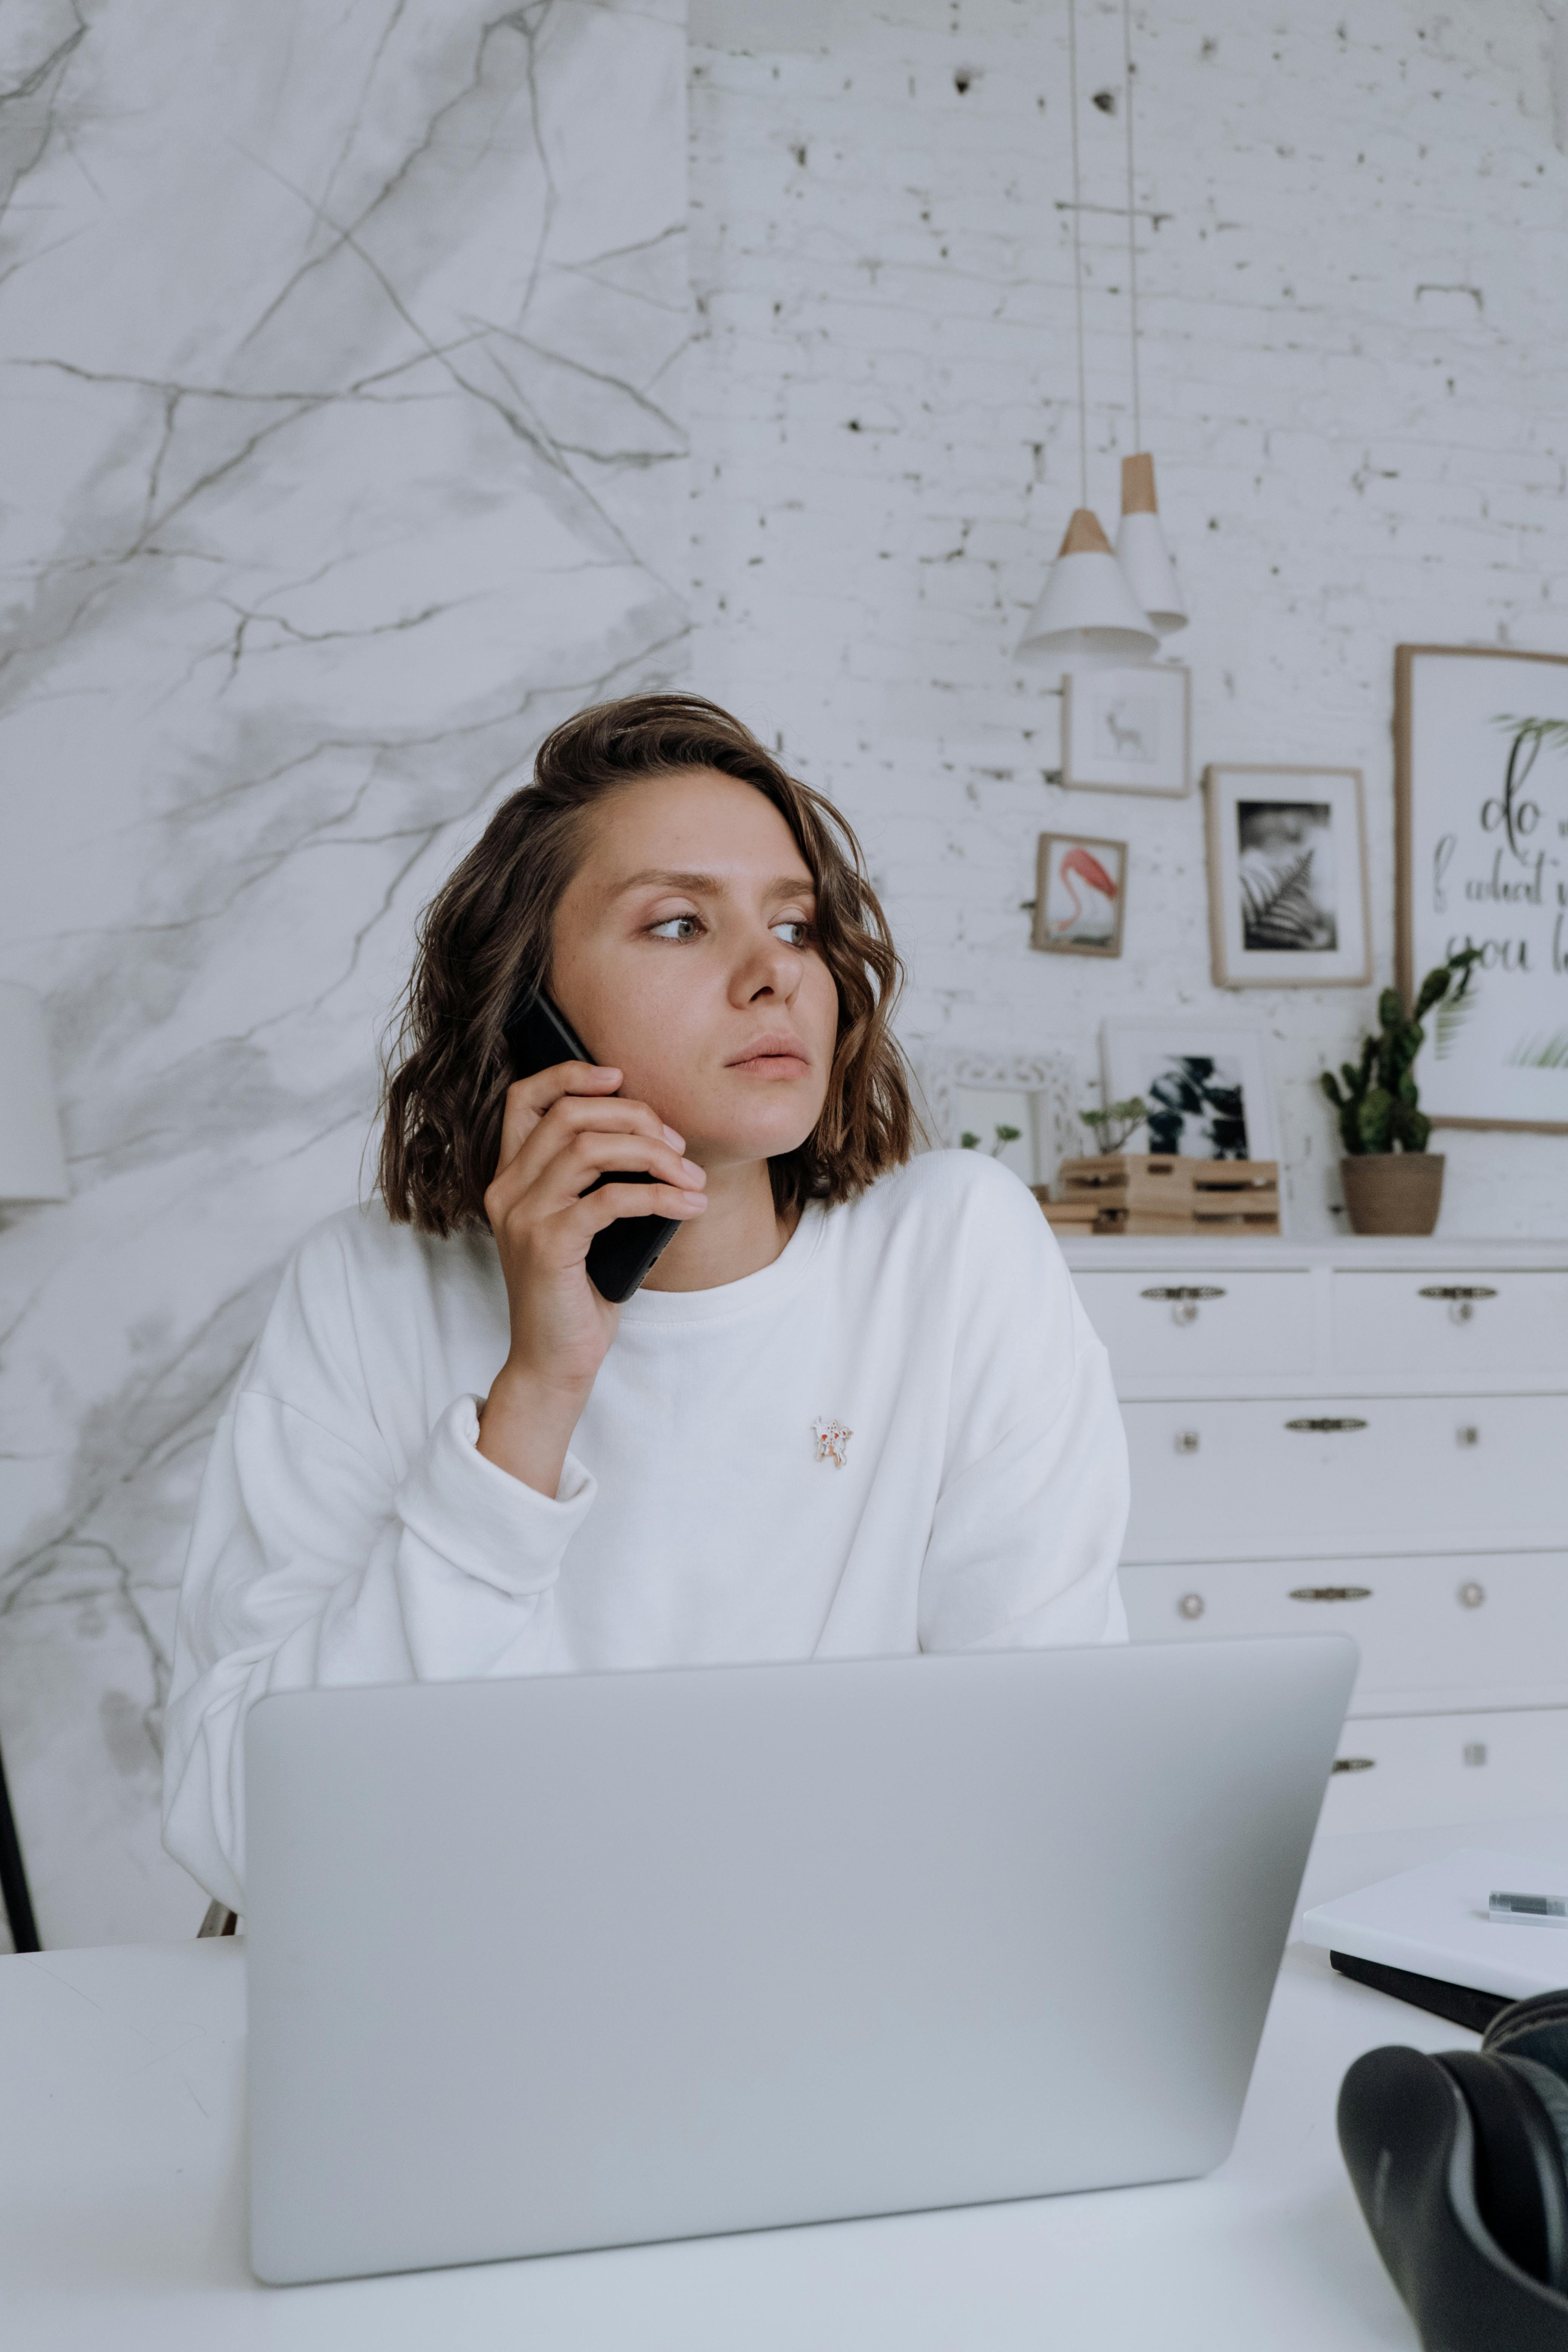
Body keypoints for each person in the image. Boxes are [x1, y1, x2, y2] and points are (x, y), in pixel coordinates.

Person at [162, 694, 1130, 1913]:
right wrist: (534, 1398)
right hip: (471, 2002)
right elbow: (243, 1837)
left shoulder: (954, 1253)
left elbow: (1050, 1775)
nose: (773, 972)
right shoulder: (371, 1288)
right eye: (679, 923)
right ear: (526, 1011)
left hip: (826, 1990)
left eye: (797, 925)